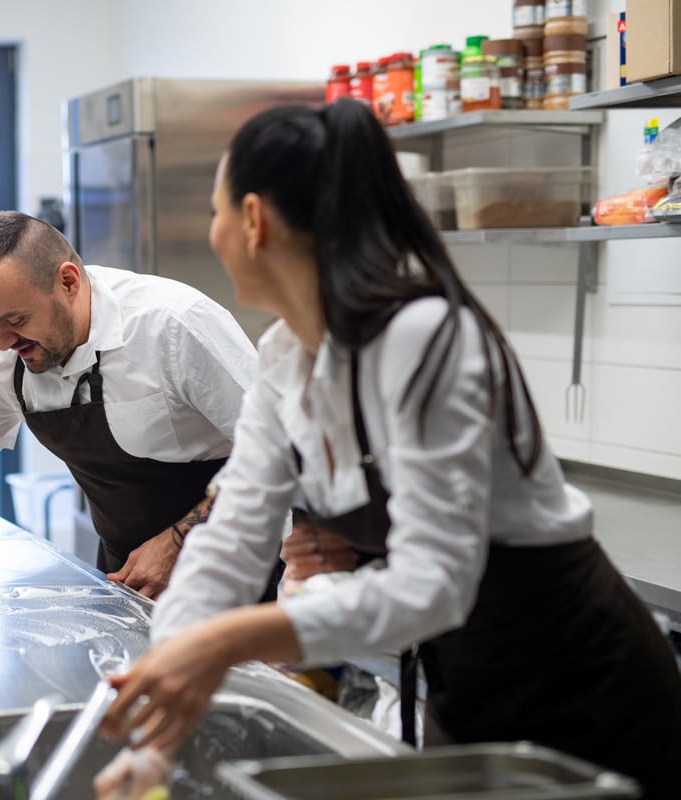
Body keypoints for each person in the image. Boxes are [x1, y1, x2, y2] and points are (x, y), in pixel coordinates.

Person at [96, 99, 681, 799]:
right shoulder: (286, 357)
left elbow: (432, 582)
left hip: (585, 682)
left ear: (253, 221)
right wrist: (156, 733)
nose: (214, 231)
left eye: (218, 212)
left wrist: (224, 642)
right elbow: (231, 541)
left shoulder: (425, 336)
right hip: (468, 682)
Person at [0, 210, 261, 601]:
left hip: (235, 563)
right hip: (129, 573)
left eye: (16, 320)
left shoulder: (173, 325)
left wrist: (176, 543)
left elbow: (278, 450)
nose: (3, 341)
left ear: (68, 282)